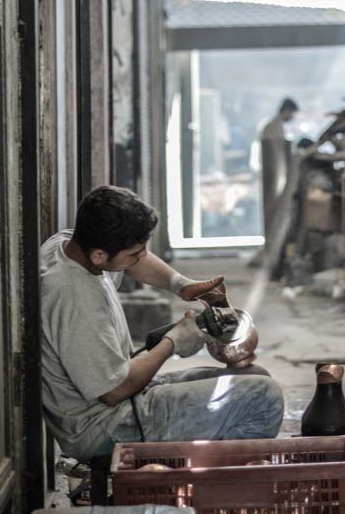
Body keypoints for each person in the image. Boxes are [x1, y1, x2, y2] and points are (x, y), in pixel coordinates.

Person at [41, 185, 285, 461]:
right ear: (99, 255)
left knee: (254, 378)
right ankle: (204, 488)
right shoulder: (73, 298)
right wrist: (174, 342)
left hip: (124, 402)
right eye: (135, 252)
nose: (142, 257)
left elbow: (131, 261)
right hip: (104, 426)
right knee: (265, 398)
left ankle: (194, 469)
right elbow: (114, 390)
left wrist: (183, 285)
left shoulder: (69, 245)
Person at [260, 97, 298, 245]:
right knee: (273, 209)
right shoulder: (273, 127)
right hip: (274, 176)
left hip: (276, 176)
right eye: (292, 114)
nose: (292, 117)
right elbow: (277, 155)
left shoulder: (277, 126)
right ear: (287, 111)